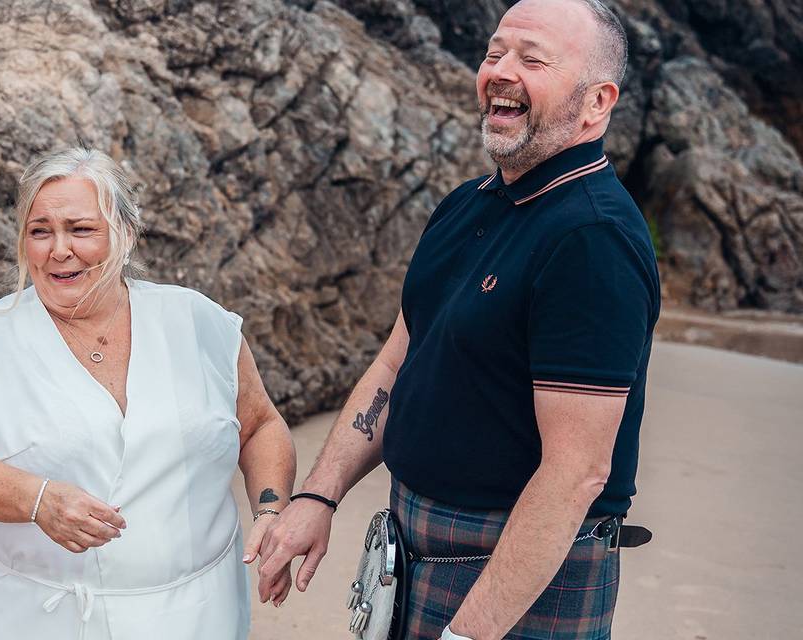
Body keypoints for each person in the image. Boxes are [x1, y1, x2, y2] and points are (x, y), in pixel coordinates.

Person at [257, 1, 660, 638]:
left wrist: (469, 633)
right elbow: (399, 361)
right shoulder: (467, 204)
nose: (502, 70)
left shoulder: (592, 239)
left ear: (597, 102)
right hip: (413, 548)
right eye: (496, 52)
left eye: (534, 58)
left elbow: (575, 471)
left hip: (522, 577)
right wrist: (318, 494)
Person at [0, 147, 296, 639]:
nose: (58, 250)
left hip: (196, 612)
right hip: (27, 616)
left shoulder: (197, 320)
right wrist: (38, 500)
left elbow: (261, 424)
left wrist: (271, 511)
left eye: (80, 229)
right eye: (40, 232)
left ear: (126, 233)